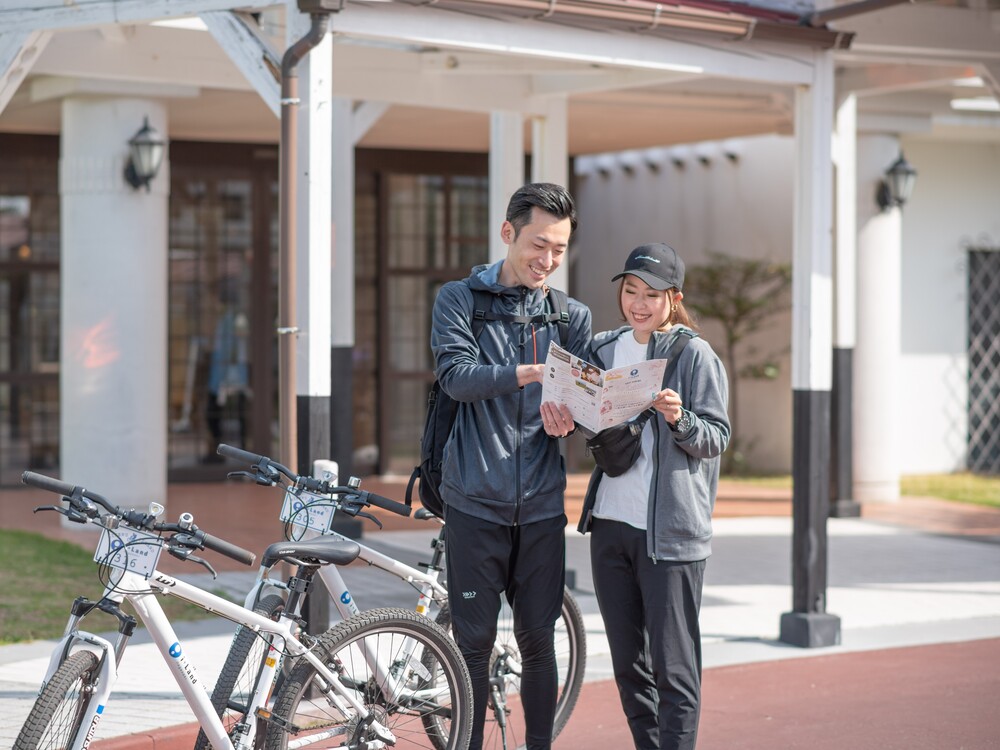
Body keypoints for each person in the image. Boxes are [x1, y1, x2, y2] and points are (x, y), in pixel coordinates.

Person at [430, 182, 592, 750]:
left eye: (559, 250)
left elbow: (582, 401)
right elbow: (457, 377)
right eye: (538, 245)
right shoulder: (460, 301)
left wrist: (571, 417)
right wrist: (529, 372)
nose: (547, 261)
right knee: (472, 644)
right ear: (508, 234)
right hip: (474, 502)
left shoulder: (571, 316)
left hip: (544, 507)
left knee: (539, 642)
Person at [577, 242, 730, 750]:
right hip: (610, 526)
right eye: (630, 291)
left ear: (674, 298)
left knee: (674, 667)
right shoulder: (602, 348)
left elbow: (716, 438)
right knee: (628, 665)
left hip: (671, 534)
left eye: (652, 294)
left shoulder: (693, 355)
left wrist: (679, 418)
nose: (638, 303)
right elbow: (587, 419)